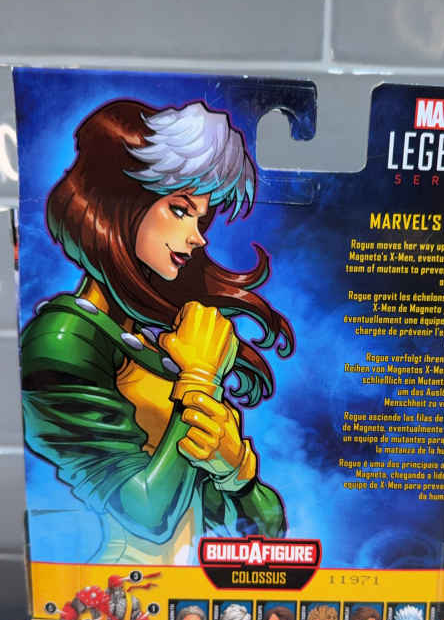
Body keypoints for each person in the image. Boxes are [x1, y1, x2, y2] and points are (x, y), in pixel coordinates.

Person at [21, 99, 294, 566]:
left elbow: (269, 535)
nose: (198, 236)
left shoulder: (157, 349)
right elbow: (145, 514)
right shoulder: (62, 340)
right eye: (181, 210)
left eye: (201, 218)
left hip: (190, 590)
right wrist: (200, 379)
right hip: (119, 589)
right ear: (121, 204)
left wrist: (236, 471)